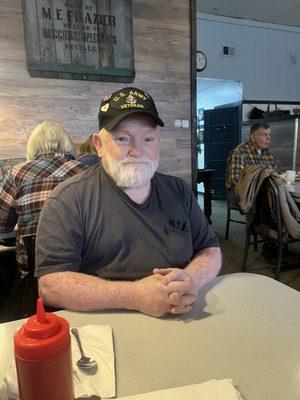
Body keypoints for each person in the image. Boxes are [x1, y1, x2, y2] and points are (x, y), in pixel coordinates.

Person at [35, 87, 222, 318]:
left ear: (158, 142)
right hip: (107, 331)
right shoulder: (67, 201)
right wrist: (134, 296)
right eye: (123, 139)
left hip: (182, 317)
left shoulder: (179, 191)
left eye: (148, 139)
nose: (137, 151)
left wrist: (193, 278)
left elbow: (210, 250)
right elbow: (51, 285)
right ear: (99, 145)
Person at [0, 121, 87, 277]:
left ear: (32, 147)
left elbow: (2, 226)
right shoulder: (89, 173)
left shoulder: (17, 173)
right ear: (68, 144)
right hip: (84, 269)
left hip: (35, 272)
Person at [226, 122, 278, 206]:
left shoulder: (269, 155)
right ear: (253, 138)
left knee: (278, 195)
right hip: (238, 193)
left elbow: (276, 175)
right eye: (264, 135)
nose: (268, 138)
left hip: (265, 190)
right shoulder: (239, 153)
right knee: (269, 198)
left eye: (269, 135)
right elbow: (236, 180)